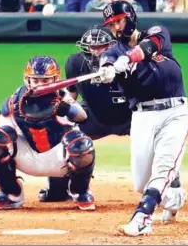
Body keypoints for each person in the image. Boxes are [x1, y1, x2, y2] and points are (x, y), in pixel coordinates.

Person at [98, 0, 188, 236]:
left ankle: (142, 219)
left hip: (174, 112)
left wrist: (128, 59)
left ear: (130, 17)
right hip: (142, 116)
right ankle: (174, 193)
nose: (116, 27)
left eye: (120, 20)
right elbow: (106, 59)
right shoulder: (112, 50)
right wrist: (107, 70)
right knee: (141, 183)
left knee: (161, 171)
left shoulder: (157, 33)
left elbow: (149, 46)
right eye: (112, 24)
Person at [0, 56, 96, 211]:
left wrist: (66, 109)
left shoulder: (63, 97)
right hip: (27, 157)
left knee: (82, 145)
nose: (40, 85)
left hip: (58, 160)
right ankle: (10, 193)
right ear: (27, 80)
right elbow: (2, 134)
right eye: (36, 80)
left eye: (46, 81)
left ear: (56, 80)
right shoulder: (14, 101)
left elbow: (82, 117)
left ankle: (79, 191)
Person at [38, 26, 132, 203]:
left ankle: (168, 186)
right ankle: (58, 188)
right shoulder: (75, 63)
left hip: (130, 116)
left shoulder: (127, 59)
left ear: (113, 45)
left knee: (156, 138)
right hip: (94, 116)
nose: (97, 51)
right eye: (93, 47)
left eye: (102, 46)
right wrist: (61, 111)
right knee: (60, 131)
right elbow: (72, 93)